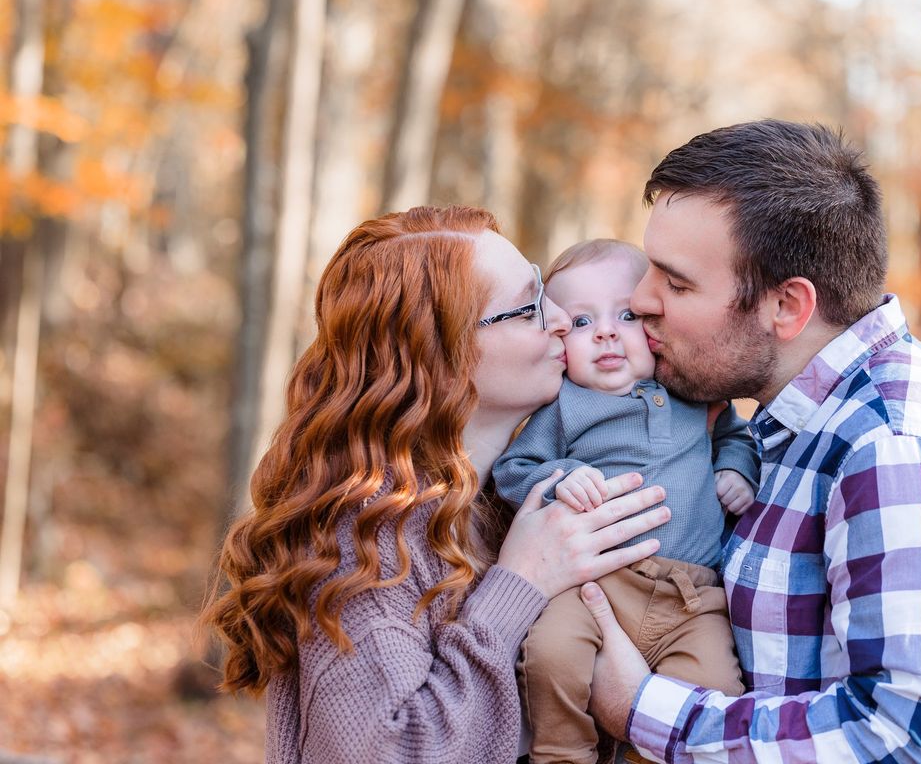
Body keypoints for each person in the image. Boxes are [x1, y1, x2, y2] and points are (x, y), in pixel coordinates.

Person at [582, 120, 921, 763]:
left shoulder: (896, 448)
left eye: (676, 283)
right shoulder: (787, 424)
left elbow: (916, 742)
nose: (640, 300)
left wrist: (646, 711)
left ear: (787, 306)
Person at [200, 206, 673, 764]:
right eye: (527, 308)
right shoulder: (366, 541)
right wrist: (520, 584)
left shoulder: (507, 498)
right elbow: (391, 751)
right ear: (441, 357)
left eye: (544, 289)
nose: (562, 319)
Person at [492, 239, 759, 764]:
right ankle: (563, 752)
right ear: (559, 342)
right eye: (583, 323)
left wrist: (735, 468)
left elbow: (738, 437)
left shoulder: (692, 390)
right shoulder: (566, 406)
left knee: (714, 688)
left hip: (692, 598)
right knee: (549, 655)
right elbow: (513, 469)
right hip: (593, 587)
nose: (607, 332)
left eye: (625, 316)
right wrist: (561, 476)